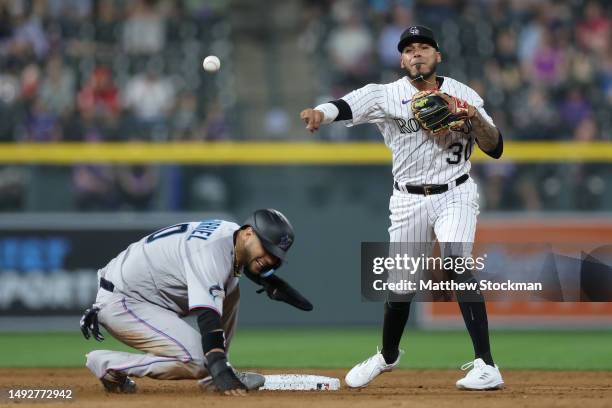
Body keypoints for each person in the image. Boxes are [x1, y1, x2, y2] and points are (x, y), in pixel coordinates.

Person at [300, 26, 504, 390]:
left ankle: (487, 365)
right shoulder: (385, 94)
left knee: (457, 263)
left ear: (437, 55)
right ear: (401, 59)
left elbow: (496, 146)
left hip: (455, 193)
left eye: (424, 47)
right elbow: (346, 105)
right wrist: (320, 113)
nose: (416, 54)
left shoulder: (462, 93)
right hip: (407, 199)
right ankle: (388, 356)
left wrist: (472, 116)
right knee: (400, 288)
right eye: (409, 49)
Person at [80, 209, 312, 396]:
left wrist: (266, 278)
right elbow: (207, 315)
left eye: (276, 257)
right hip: (125, 300)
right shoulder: (210, 251)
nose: (270, 259)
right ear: (249, 233)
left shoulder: (231, 233)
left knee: (231, 288)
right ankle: (109, 364)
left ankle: (214, 371)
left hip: (147, 298)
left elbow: (228, 264)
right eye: (268, 249)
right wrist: (217, 363)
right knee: (198, 360)